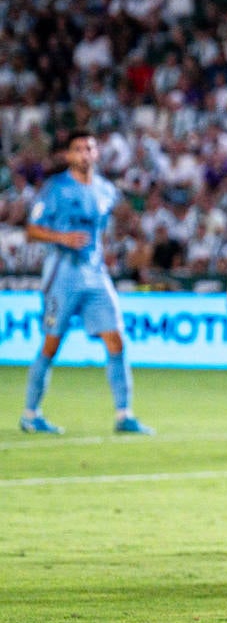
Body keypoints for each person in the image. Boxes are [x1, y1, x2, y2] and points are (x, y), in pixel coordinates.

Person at [20, 130, 153, 436]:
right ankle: (30, 413)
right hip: (62, 275)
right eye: (78, 149)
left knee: (116, 339)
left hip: (95, 275)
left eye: (89, 148)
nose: (84, 153)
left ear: (96, 154)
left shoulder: (106, 189)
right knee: (52, 344)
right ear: (68, 155)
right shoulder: (55, 189)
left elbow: (104, 228)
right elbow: (31, 230)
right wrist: (61, 237)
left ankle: (124, 415)